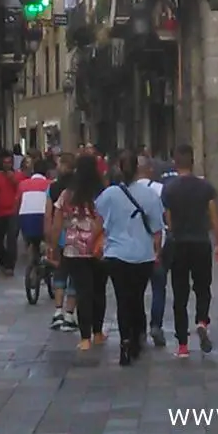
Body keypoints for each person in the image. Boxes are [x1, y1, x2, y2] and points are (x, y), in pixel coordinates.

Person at [95, 151, 163, 365]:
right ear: (138, 169)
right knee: (137, 297)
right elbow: (158, 229)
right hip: (142, 255)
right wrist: (157, 252)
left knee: (122, 299)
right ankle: (136, 338)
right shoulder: (150, 195)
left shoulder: (109, 194)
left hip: (116, 254)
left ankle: (125, 341)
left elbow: (98, 218)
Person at [161, 144, 218, 358]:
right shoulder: (205, 187)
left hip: (179, 243)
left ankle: (182, 345)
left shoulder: (169, 188)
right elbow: (214, 216)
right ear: (193, 161)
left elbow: (168, 219)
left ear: (175, 163)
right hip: (200, 242)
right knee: (202, 287)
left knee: (180, 293)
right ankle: (202, 321)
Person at [49, 154, 108, 351]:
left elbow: (56, 224)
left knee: (84, 291)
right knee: (99, 290)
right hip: (100, 248)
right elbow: (107, 219)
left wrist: (53, 247)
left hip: (74, 249)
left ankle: (85, 338)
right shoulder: (103, 194)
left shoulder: (67, 194)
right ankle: (98, 332)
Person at [137, 156, 169, 347]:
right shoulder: (160, 189)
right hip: (158, 246)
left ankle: (139, 329)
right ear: (149, 169)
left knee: (136, 290)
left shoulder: (124, 190)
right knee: (158, 289)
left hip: (135, 248)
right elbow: (166, 215)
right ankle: (156, 325)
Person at [47, 153, 78, 331]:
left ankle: (58, 311)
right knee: (74, 275)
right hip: (78, 239)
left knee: (60, 272)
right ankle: (69, 314)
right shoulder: (81, 189)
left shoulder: (53, 188)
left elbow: (49, 215)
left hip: (59, 237)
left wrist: (49, 239)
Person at [18, 158, 52, 256]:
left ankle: (30, 263)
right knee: (44, 241)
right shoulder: (50, 184)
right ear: (47, 172)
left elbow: (19, 201)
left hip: (25, 217)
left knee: (31, 243)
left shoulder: (23, 184)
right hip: (42, 216)